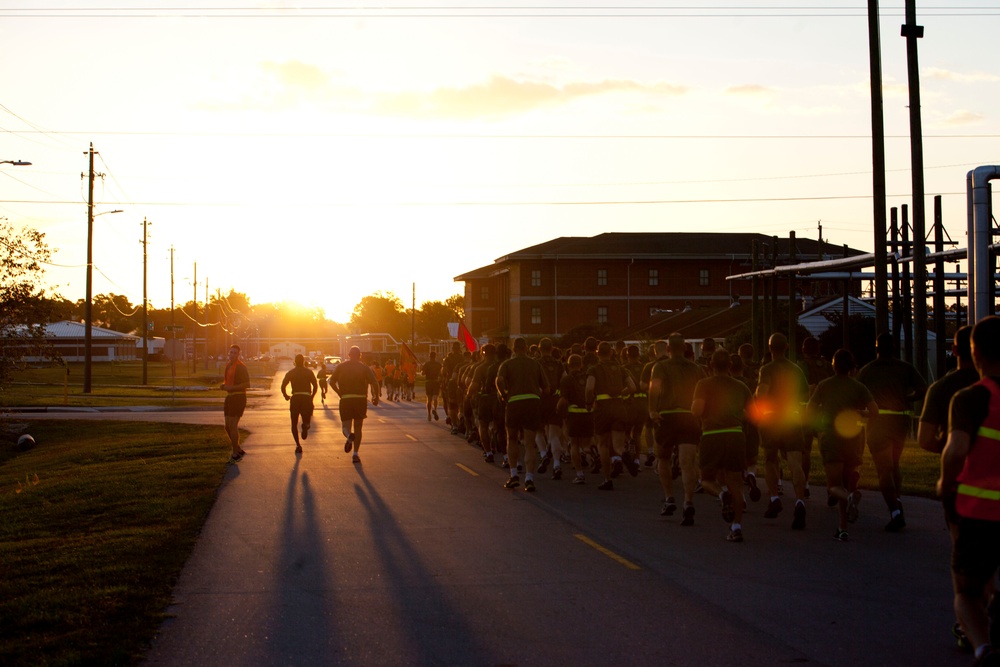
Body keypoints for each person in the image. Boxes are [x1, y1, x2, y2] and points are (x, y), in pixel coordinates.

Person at [938, 316, 1000, 666]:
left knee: (966, 590)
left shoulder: (971, 398)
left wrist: (946, 484)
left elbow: (957, 449)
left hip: (979, 511)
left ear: (973, 353)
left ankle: (982, 647)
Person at [857, 332, 928, 532]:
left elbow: (857, 394)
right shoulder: (905, 368)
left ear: (877, 348)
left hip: (878, 422)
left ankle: (895, 511)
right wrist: (909, 399)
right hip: (900, 420)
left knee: (884, 469)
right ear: (895, 348)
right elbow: (923, 389)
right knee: (894, 464)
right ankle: (897, 499)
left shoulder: (867, 370)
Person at [805, 349, 878, 541]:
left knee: (834, 487)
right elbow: (874, 411)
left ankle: (850, 498)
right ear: (852, 367)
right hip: (852, 437)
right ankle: (842, 527)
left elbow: (809, 410)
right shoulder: (858, 387)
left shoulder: (824, 386)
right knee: (847, 483)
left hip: (831, 437)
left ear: (833, 365)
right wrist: (861, 414)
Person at [691, 348, 752, 542]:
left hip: (712, 435)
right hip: (735, 435)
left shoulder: (703, 384)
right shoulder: (741, 386)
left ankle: (721, 493)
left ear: (710, 365)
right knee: (736, 483)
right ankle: (736, 526)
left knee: (706, 480)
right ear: (731, 366)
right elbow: (754, 413)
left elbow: (697, 410)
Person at [648, 333, 706, 524]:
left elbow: (654, 388)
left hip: (668, 416)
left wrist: (652, 410)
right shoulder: (697, 369)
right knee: (687, 462)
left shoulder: (661, 366)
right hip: (689, 416)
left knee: (662, 457)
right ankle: (688, 501)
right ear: (686, 349)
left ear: (669, 349)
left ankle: (669, 497)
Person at [756, 332, 811, 530]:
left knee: (771, 459)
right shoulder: (796, 369)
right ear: (787, 346)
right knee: (795, 462)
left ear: (770, 348)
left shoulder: (767, 369)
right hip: (792, 417)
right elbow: (805, 393)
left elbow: (762, 392)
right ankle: (799, 501)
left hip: (772, 418)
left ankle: (773, 497)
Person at [496, 337, 549, 492]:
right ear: (526, 348)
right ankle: (529, 478)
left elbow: (499, 380)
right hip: (532, 403)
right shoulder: (535, 364)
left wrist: (503, 394)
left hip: (514, 402)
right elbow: (547, 388)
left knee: (512, 438)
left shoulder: (507, 364)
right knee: (529, 443)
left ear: (513, 349)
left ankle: (513, 475)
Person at [919, 326, 979, 455]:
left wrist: (950, 450)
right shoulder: (992, 385)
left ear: (955, 350)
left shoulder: (939, 388)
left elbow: (925, 440)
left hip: (957, 468)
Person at [586, 340, 637, 491]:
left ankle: (607, 478)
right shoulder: (620, 369)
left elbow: (589, 388)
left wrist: (589, 403)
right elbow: (633, 387)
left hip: (603, 408)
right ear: (611, 353)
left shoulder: (594, 369)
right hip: (619, 406)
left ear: (597, 353)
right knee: (618, 445)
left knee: (603, 445)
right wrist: (623, 393)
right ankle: (624, 454)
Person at [329, 346, 380, 463]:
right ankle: (355, 454)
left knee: (345, 427)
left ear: (348, 355)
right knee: (358, 428)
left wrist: (338, 392)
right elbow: (374, 382)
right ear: (360, 355)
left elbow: (331, 381)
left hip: (346, 399)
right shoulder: (364, 367)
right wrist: (376, 396)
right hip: (360, 400)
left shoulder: (341, 367)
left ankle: (348, 436)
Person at [557, 353, 594, 484]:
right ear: (581, 365)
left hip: (574, 414)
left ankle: (579, 473)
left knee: (574, 444)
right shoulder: (587, 377)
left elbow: (563, 400)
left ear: (568, 365)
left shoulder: (566, 380)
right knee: (587, 443)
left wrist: (559, 412)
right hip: (589, 413)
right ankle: (592, 455)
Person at [280, 354, 318, 454]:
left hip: (295, 398)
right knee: (307, 418)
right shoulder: (309, 372)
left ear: (295, 362)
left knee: (294, 423)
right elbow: (315, 385)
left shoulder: (291, 373)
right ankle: (306, 425)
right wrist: (312, 396)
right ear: (304, 361)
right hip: (306, 398)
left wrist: (286, 396)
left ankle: (298, 444)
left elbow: (283, 386)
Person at [220, 344, 251, 463]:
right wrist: (224, 386)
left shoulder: (241, 367)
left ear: (238, 354)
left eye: (234, 353)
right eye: (231, 352)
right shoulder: (228, 366)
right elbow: (228, 382)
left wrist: (232, 388)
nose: (232, 355)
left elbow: (247, 384)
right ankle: (238, 448)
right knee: (227, 427)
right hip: (229, 397)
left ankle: (235, 453)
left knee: (233, 425)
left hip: (239, 397)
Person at [423, 351, 443, 421]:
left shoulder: (426, 364)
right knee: (435, 397)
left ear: (429, 356)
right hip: (436, 382)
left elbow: (423, 373)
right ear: (435, 356)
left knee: (429, 399)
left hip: (428, 382)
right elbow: (441, 373)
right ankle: (435, 409)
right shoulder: (438, 364)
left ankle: (429, 414)